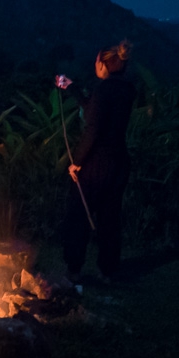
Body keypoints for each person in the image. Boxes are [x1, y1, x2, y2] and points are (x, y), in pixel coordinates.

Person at [62, 42, 136, 284]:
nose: (95, 66)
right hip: (119, 162)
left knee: (78, 215)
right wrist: (71, 87)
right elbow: (95, 109)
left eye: (96, 62)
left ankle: (74, 270)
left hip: (97, 163)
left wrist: (77, 162)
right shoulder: (127, 89)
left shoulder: (103, 90)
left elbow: (93, 128)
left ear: (103, 65)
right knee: (110, 217)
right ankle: (108, 270)